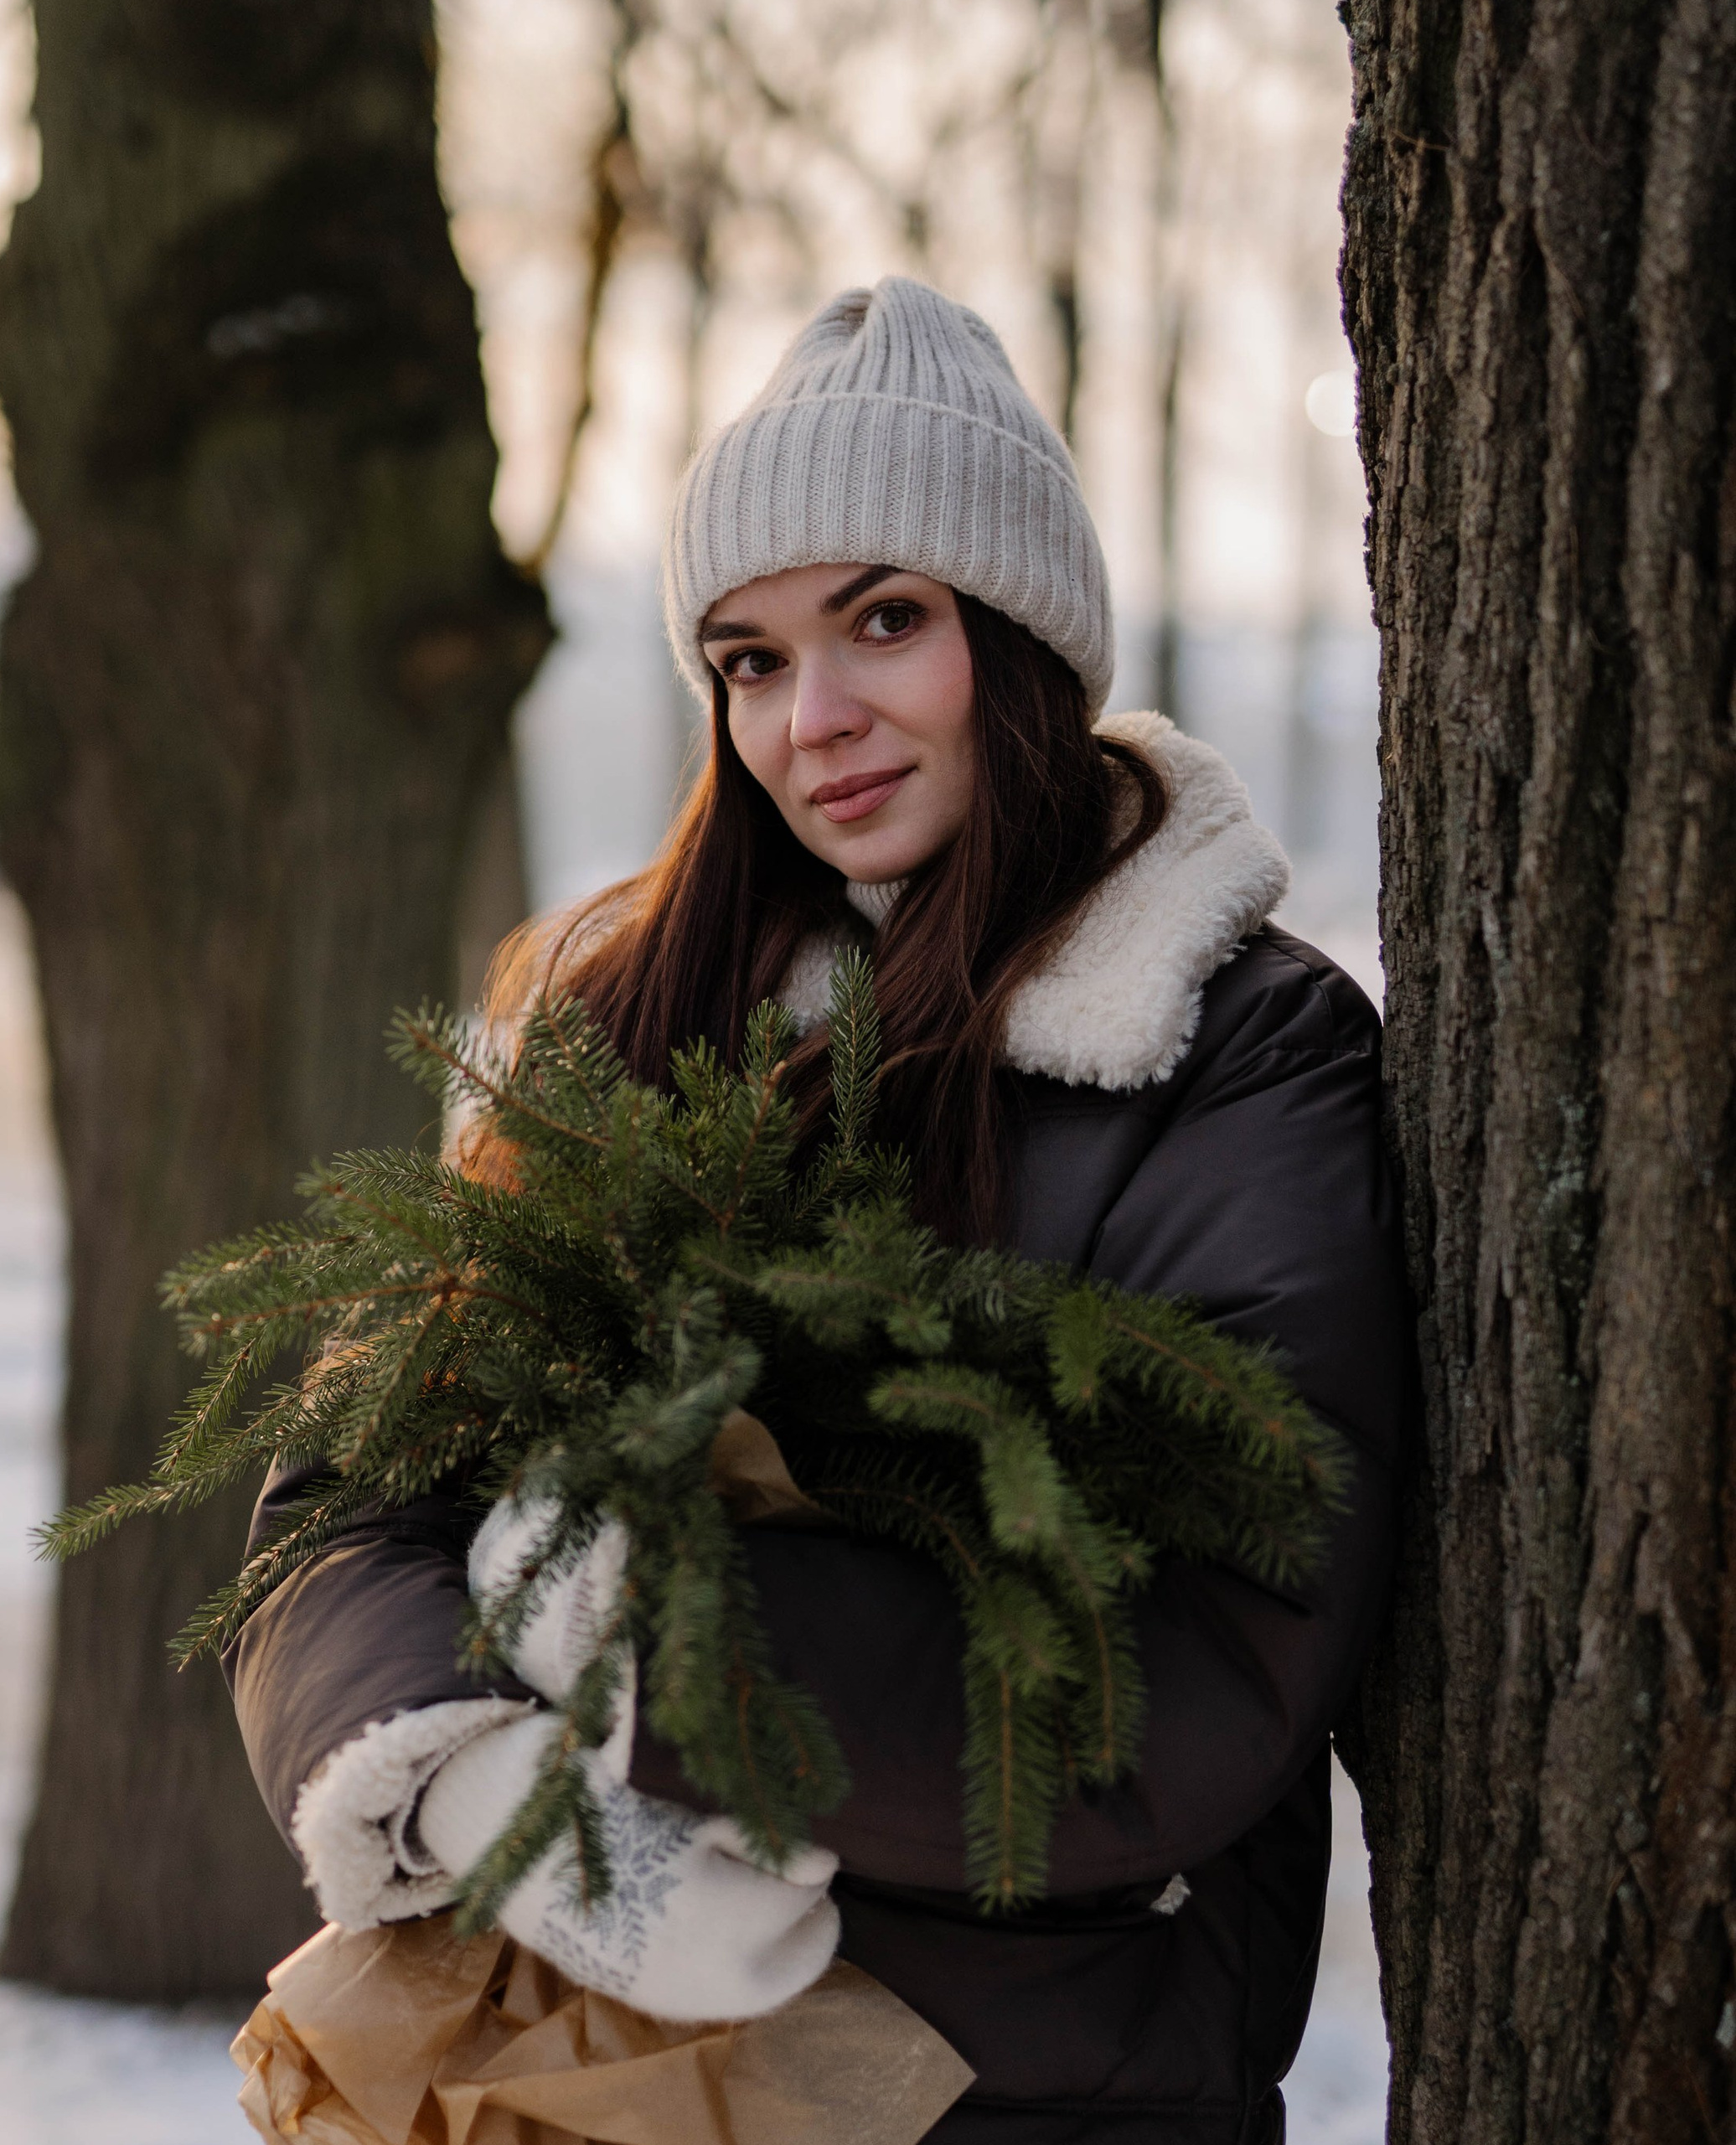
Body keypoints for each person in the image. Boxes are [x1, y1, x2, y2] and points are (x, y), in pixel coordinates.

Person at [225, 277, 1409, 2143]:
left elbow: (1213, 1650)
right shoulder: (624, 1023)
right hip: (601, 2068)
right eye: (750, 658)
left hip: (1049, 2088)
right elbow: (345, 1505)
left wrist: (662, 1659)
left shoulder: (1234, 1048)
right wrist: (492, 1799)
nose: (815, 718)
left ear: (1014, 635)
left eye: (882, 620)